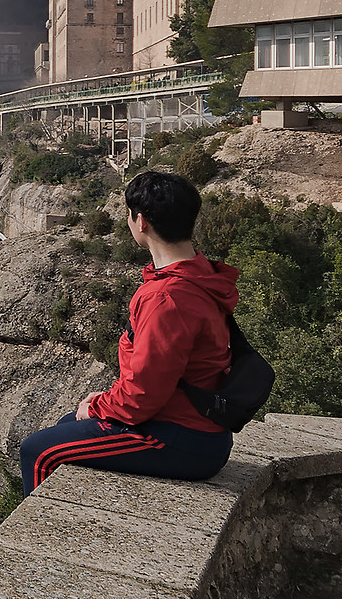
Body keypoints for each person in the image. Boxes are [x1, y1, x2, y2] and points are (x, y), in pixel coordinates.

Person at [18, 169, 238, 493]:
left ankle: (36, 543)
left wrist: (97, 406)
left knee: (38, 452)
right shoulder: (200, 274)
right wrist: (105, 401)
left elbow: (145, 394)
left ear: (142, 222)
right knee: (68, 424)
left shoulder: (167, 298)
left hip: (182, 438)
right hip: (201, 428)